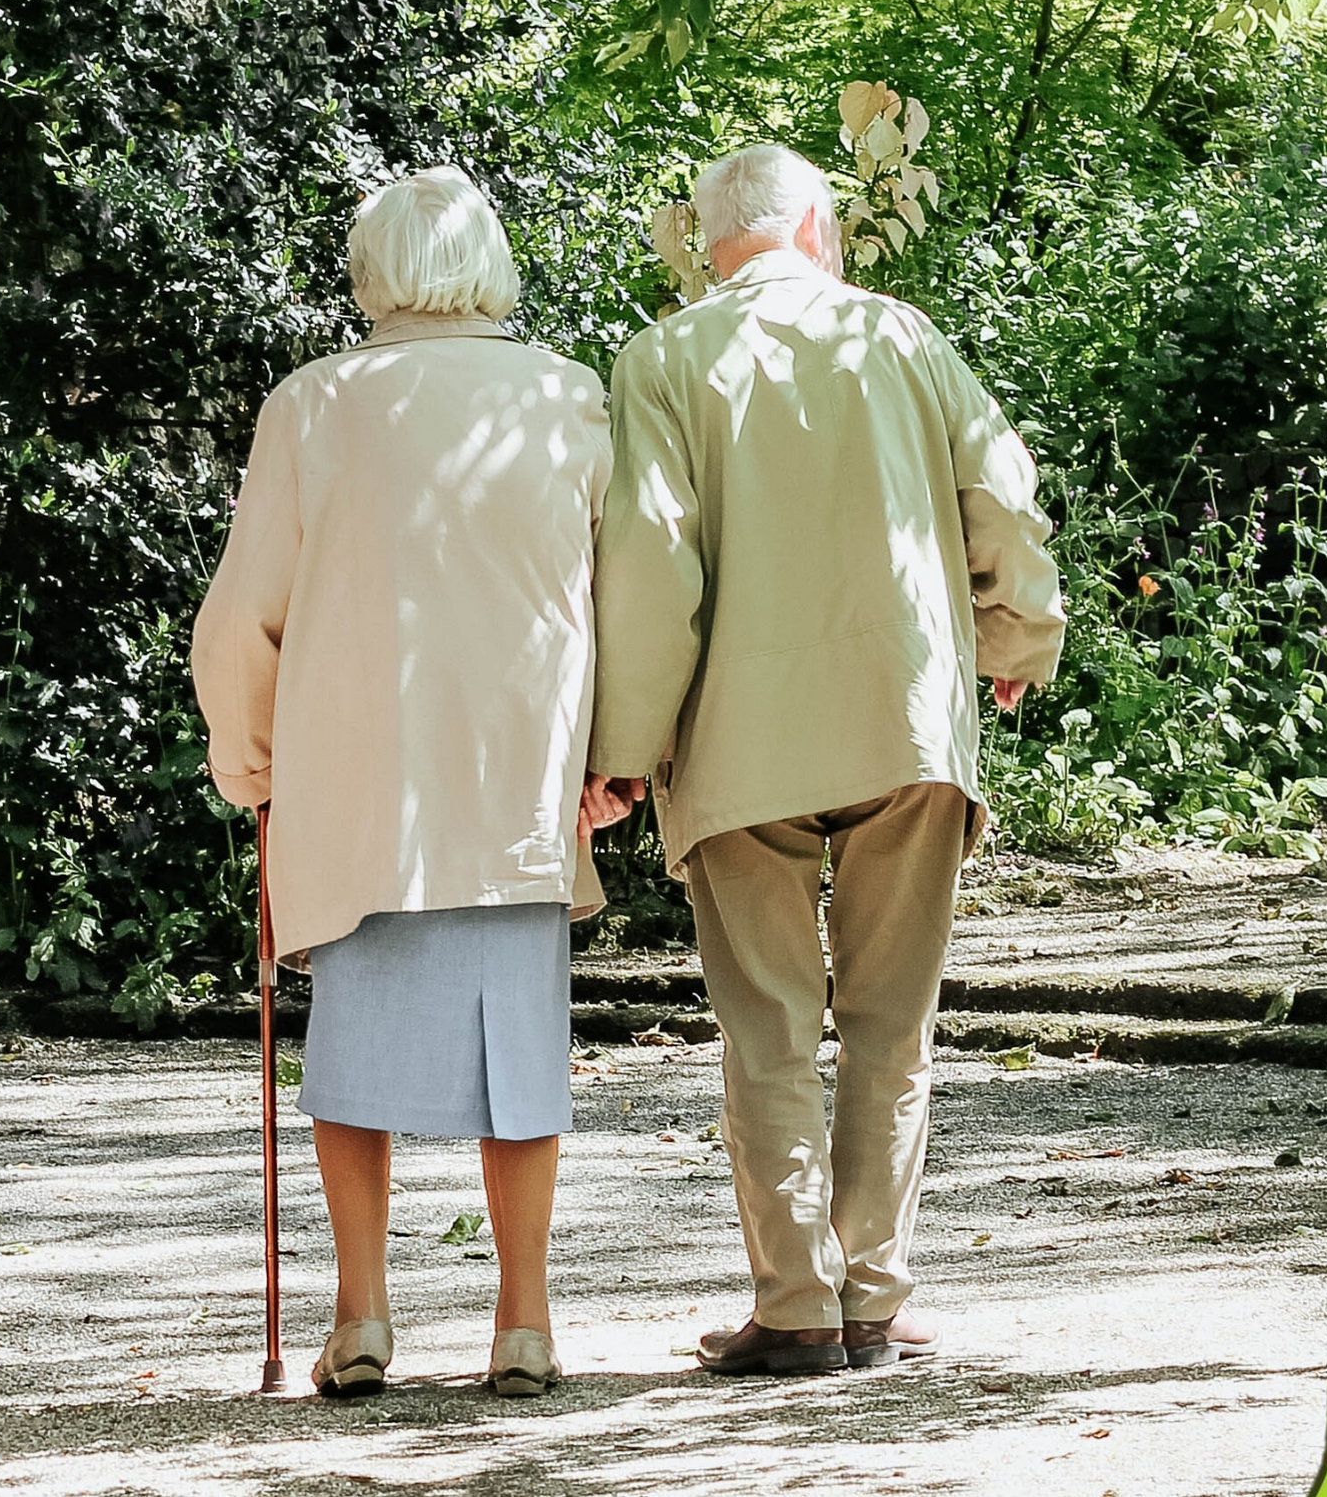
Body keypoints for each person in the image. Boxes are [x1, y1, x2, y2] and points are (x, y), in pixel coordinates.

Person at [586, 144, 1066, 1376]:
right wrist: (1018, 634)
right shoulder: (904, 337)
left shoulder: (663, 359)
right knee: (892, 1024)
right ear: (817, 227)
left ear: (708, 243)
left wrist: (624, 750)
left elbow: (651, 565)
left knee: (769, 1029)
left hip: (739, 738)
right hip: (902, 720)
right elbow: (1001, 502)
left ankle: (796, 1307)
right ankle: (874, 1296)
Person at [191, 165, 625, 1401]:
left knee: (352, 1059)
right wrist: (614, 759)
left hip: (358, 782)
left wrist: (253, 759)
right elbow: (620, 599)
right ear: (490, 263)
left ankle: (363, 1315)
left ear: (370, 271)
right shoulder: (566, 396)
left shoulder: (314, 407)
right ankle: (525, 1321)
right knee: (523, 1061)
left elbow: (241, 622)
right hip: (515, 779)